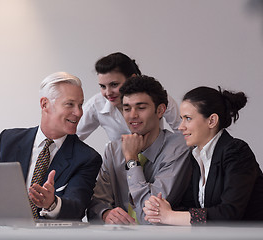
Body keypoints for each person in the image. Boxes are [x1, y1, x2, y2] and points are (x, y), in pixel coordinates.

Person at [0, 72, 102, 220]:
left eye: (80, 105)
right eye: (70, 104)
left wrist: (52, 204)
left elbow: (77, 208)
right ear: (45, 104)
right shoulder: (8, 140)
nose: (79, 112)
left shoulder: (87, 158)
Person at [144, 86, 263, 225]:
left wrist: (170, 216)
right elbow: (190, 207)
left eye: (188, 118)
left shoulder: (236, 151)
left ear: (212, 121)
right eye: (182, 118)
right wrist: (159, 209)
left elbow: (229, 213)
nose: (181, 126)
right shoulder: (196, 156)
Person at [87, 75, 191, 225]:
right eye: (127, 109)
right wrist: (105, 213)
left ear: (160, 110)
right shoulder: (113, 149)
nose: (133, 115)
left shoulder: (178, 148)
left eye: (141, 108)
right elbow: (96, 203)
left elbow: (149, 215)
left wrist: (131, 159)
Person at [77, 52, 181, 141]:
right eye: (103, 86)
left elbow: (182, 131)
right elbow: (73, 136)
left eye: (114, 85)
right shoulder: (96, 104)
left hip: (159, 160)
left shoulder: (157, 95)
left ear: (132, 79)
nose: (108, 93)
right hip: (120, 162)